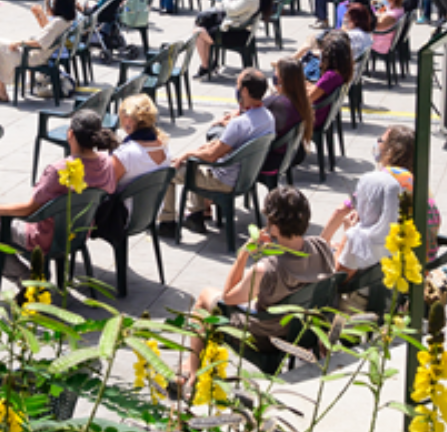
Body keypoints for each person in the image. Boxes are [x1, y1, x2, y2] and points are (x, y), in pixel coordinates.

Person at [176, 187, 335, 381]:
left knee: (205, 297)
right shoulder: (321, 246)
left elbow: (229, 297)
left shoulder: (266, 269)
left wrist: (244, 254)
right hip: (304, 330)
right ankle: (196, 359)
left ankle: (192, 373)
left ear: (274, 227)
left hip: (265, 336)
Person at [0, 109, 120, 276]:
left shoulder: (58, 170)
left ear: (70, 134)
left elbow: (30, 209)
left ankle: (26, 280)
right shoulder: (107, 162)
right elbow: (110, 189)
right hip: (79, 232)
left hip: (45, 237)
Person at [160, 69, 276, 236]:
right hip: (245, 176)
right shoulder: (268, 118)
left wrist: (186, 154)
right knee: (195, 160)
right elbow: (222, 145)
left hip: (223, 181)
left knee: (169, 171)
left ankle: (167, 222)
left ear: (244, 90)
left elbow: (212, 155)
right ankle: (194, 215)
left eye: (237, 85)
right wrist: (199, 150)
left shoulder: (239, 123)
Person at [322, 126, 416, 273]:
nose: (377, 143)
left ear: (391, 150)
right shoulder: (414, 182)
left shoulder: (378, 183)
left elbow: (342, 209)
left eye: (381, 140)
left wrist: (339, 239)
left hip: (375, 274)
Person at [0, 0, 76, 103]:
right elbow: (48, 33)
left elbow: (40, 43)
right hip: (41, 55)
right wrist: (39, 15)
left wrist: (19, 43)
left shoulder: (58, 22)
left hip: (34, 57)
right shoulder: (65, 21)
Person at [194, 0, 267, 77]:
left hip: (237, 34)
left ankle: (206, 65)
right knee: (203, 25)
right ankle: (209, 62)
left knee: (198, 32)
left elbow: (231, 10)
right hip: (241, 29)